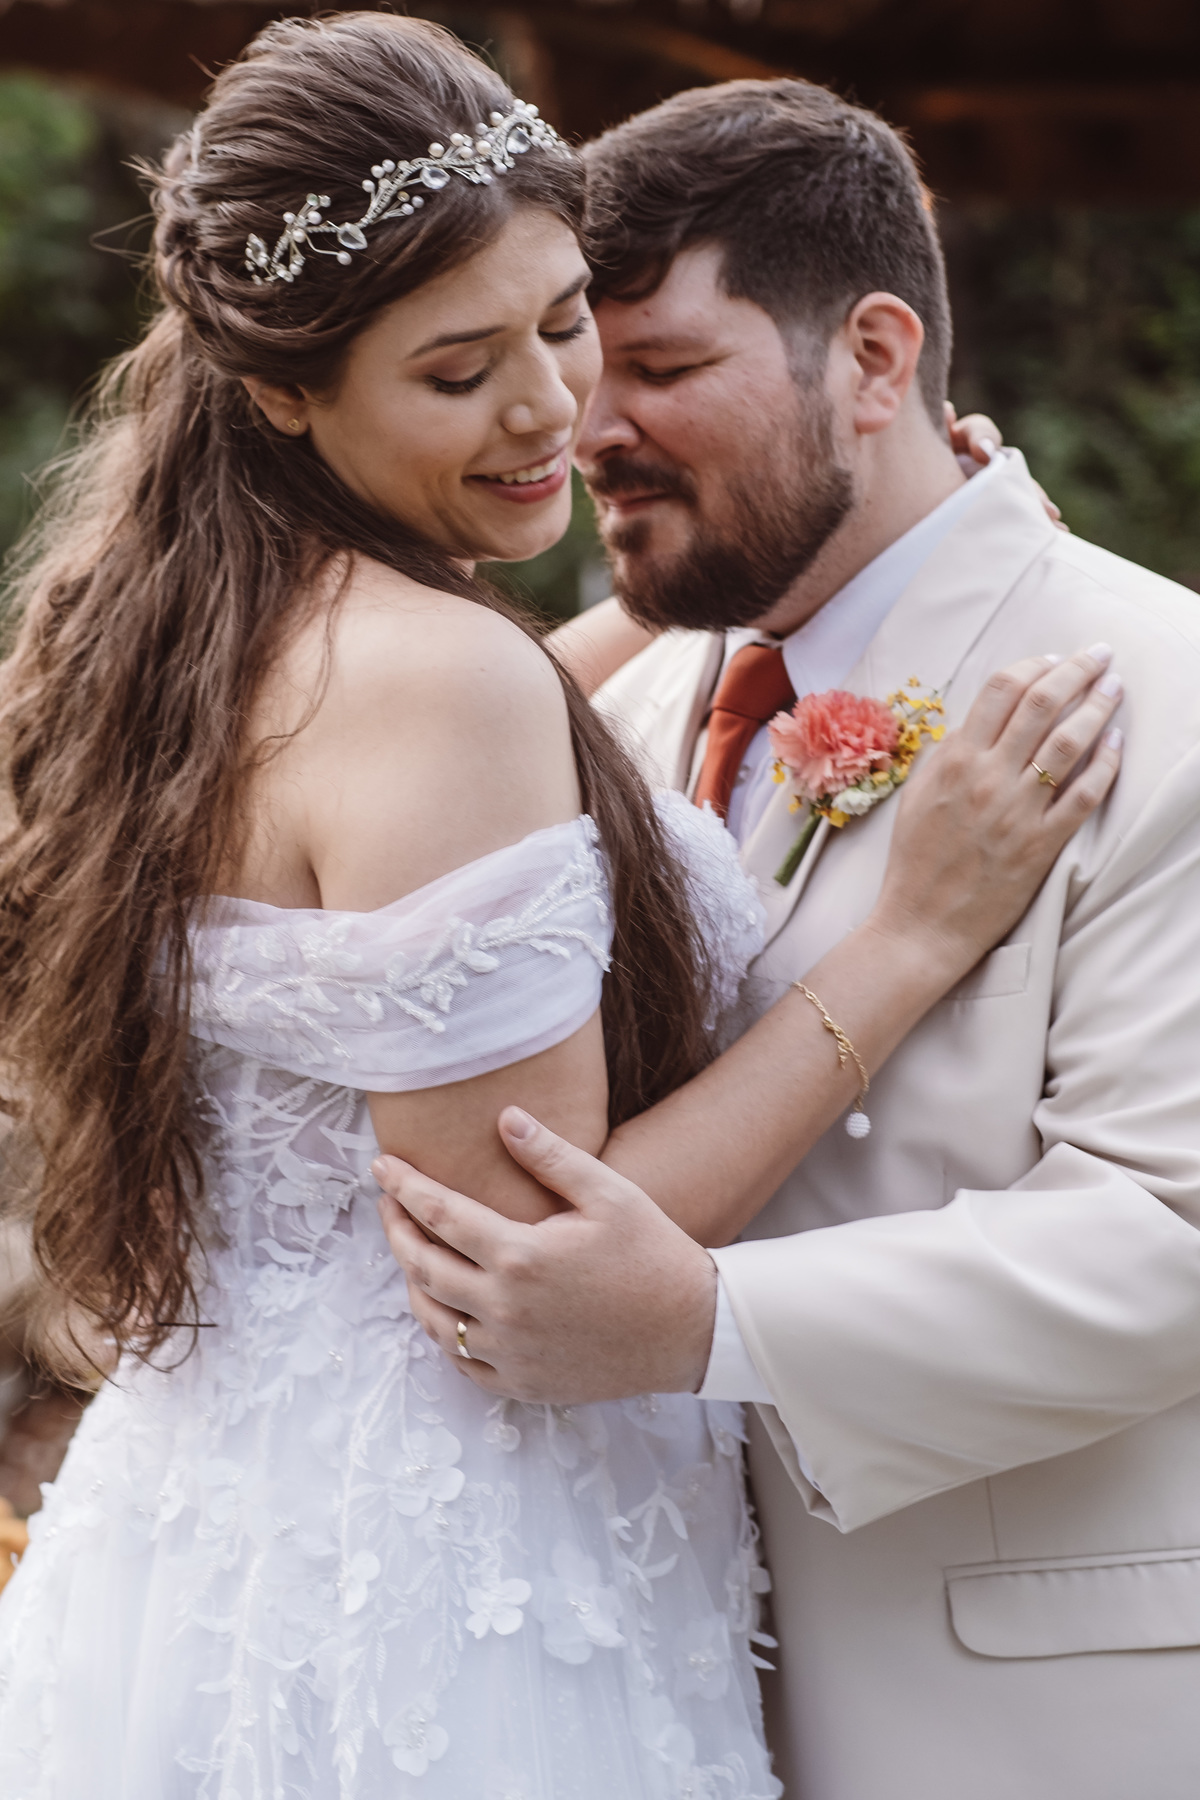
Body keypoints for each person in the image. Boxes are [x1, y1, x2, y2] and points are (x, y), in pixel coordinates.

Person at [0, 20, 1117, 1797]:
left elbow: (498, 724)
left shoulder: (185, 632)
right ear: (284, 387)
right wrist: (909, 942)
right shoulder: (438, 682)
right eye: (460, 372)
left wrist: (900, 552)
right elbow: (518, 1271)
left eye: (561, 318)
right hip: (458, 1594)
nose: (554, 409)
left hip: (223, 1539)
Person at [375, 78, 1200, 1800]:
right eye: (589, 371)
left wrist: (705, 1322)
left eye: (664, 368)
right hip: (638, 1678)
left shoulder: (1164, 694)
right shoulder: (651, 688)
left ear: (878, 359)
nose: (591, 426)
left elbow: (1173, 1233)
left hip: (1009, 1714)